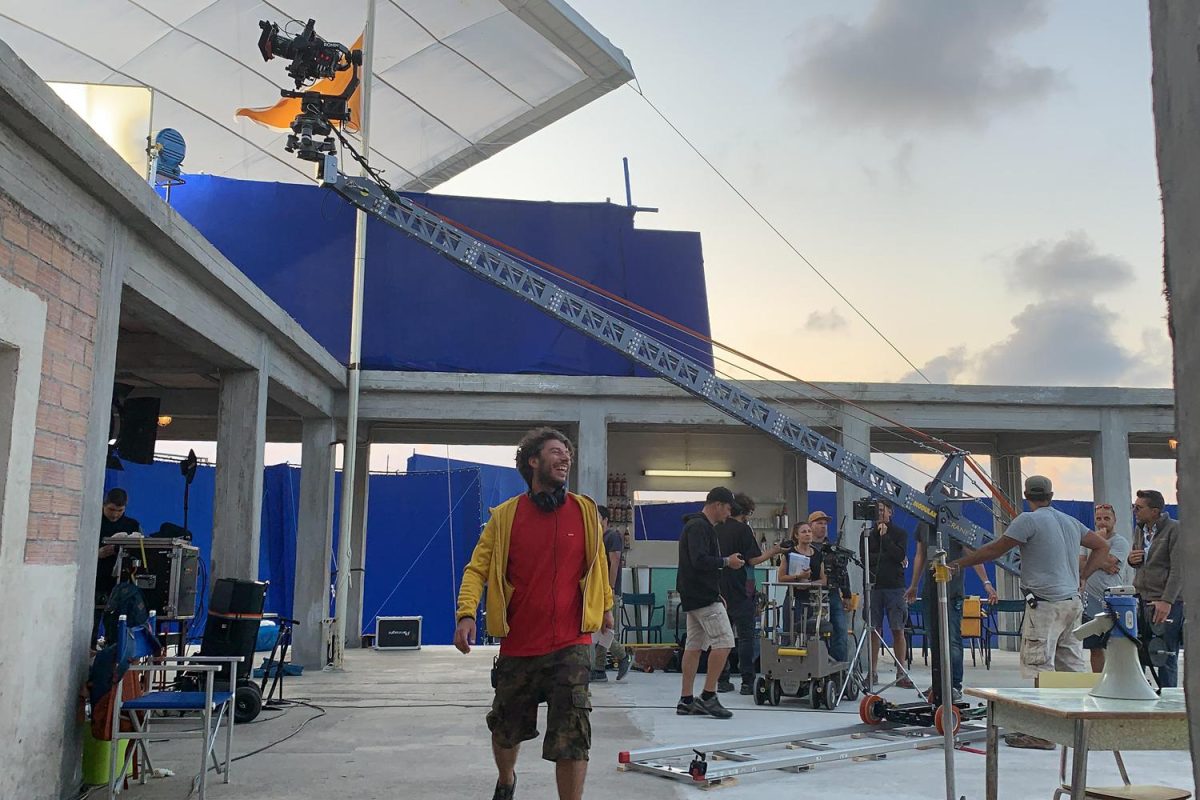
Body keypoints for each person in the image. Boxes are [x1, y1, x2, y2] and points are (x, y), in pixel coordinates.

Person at [453, 427, 614, 800]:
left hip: (572, 642)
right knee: (505, 729)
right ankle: (506, 779)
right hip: (519, 644)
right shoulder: (505, 517)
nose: (566, 458)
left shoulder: (585, 511)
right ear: (533, 461)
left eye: (568, 453)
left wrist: (604, 606)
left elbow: (598, 563)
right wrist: (466, 614)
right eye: (556, 451)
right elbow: (477, 568)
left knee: (573, 733)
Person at [950, 475, 1110, 750]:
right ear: (1051, 493)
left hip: (1045, 605)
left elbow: (995, 549)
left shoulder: (1028, 520)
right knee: (1071, 668)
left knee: (1041, 668)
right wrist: (1083, 576)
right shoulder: (1070, 521)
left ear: (1027, 495)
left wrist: (959, 564)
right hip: (1072, 603)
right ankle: (1078, 730)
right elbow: (1102, 546)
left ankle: (1043, 734)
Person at [904, 498, 998, 704]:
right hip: (931, 590)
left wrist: (986, 582)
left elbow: (972, 554)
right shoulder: (923, 525)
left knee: (952, 638)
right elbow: (920, 555)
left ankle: (955, 685)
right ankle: (938, 683)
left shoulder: (956, 523)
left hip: (952, 590)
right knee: (934, 636)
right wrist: (913, 585)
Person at [676, 486, 743, 719]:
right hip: (703, 597)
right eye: (727, 508)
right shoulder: (699, 527)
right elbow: (699, 560)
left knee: (694, 647)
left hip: (695, 596)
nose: (728, 513)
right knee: (724, 641)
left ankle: (686, 699)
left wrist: (717, 592)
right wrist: (727, 561)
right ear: (717, 505)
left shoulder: (696, 526)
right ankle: (708, 695)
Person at [716, 493, 783, 694]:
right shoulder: (744, 530)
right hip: (741, 588)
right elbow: (753, 560)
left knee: (721, 637)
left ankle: (722, 679)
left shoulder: (716, 528)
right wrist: (775, 551)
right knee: (745, 637)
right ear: (744, 512)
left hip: (718, 589)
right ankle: (747, 681)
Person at [1129, 488, 1183, 687]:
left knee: (1165, 655)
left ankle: (1168, 704)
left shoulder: (1174, 530)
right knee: (1140, 651)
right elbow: (1143, 561)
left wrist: (1167, 601)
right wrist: (1132, 560)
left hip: (1166, 601)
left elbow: (1179, 569)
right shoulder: (1140, 529)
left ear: (1155, 511)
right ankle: (1141, 699)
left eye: (1139, 507)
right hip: (1142, 598)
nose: (1135, 510)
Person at [1080, 503, 1130, 673]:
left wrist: (1096, 558)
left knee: (1114, 643)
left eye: (1106, 518)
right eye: (1099, 519)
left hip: (1112, 599)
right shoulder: (1088, 539)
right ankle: (1098, 679)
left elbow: (1111, 562)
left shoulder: (1120, 542)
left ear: (1114, 520)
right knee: (1095, 645)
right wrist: (1101, 561)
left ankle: (1116, 677)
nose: (1102, 522)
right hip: (1090, 599)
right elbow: (1080, 564)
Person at [867, 500, 912, 688]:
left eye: (882, 511)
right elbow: (867, 558)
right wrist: (889, 555)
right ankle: (872, 672)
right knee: (874, 629)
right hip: (875, 586)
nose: (880, 514)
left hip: (895, 587)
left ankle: (901, 672)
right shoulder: (869, 535)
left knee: (897, 629)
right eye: (876, 511)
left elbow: (899, 556)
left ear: (890, 513)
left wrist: (885, 539)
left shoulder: (900, 533)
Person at [93, 488, 141, 645]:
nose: (114, 514)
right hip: (95, 579)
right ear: (103, 505)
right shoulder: (94, 522)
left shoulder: (131, 525)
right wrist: (97, 554)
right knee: (92, 620)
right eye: (111, 510)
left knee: (114, 624)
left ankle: (110, 651)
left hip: (118, 583)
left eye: (119, 510)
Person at [590, 505, 632, 683]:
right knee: (599, 628)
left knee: (604, 628)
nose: (595, 520)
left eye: (598, 517)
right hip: (597, 591)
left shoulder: (612, 536)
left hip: (608, 590)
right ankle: (599, 670)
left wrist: (611, 588)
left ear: (606, 520)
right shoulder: (596, 538)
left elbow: (614, 562)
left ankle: (622, 657)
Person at [809, 510, 850, 663]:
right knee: (811, 630)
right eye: (819, 523)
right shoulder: (805, 548)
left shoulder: (833, 549)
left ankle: (839, 667)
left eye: (825, 524)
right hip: (810, 593)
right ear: (811, 525)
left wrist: (846, 594)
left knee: (840, 629)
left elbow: (843, 572)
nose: (823, 526)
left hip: (832, 593)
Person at [776, 521, 826, 643]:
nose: (807, 534)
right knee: (790, 633)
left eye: (809, 531)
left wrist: (810, 584)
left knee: (810, 634)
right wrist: (798, 576)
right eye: (804, 532)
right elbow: (781, 578)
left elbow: (824, 579)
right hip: (794, 597)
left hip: (812, 598)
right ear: (796, 535)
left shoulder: (818, 554)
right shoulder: (789, 554)